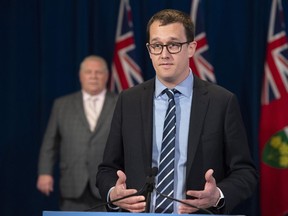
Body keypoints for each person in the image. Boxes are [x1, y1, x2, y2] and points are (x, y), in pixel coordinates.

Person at [96, 9, 258, 215]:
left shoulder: (221, 101)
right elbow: (107, 169)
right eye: (156, 45)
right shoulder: (129, 100)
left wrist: (217, 195)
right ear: (149, 50)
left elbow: (245, 172)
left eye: (173, 45)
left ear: (191, 48)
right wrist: (113, 193)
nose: (164, 54)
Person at [37, 55, 118, 211]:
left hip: (108, 187)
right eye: (88, 72)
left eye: (98, 72)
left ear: (107, 76)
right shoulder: (62, 105)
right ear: (80, 76)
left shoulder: (120, 102)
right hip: (72, 184)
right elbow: (50, 142)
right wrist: (44, 172)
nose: (93, 76)